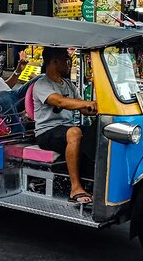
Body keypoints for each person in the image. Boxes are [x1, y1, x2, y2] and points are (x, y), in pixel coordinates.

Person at [33, 47, 97, 204]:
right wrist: (87, 103)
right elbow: (60, 101)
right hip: (46, 132)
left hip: (65, 130)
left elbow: (84, 109)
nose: (69, 63)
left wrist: (98, 107)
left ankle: (95, 181)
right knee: (74, 132)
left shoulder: (68, 84)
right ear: (54, 61)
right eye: (66, 60)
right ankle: (75, 187)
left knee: (99, 131)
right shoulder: (42, 84)